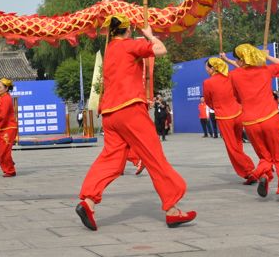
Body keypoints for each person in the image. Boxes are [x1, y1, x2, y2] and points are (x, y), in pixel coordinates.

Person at [75, 14, 195, 231]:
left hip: (110, 114)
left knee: (111, 159)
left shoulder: (109, 50)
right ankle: (172, 209)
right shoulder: (130, 46)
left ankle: (88, 202)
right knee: (154, 156)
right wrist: (149, 36)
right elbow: (160, 50)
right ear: (127, 30)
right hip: (130, 110)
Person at [227, 44, 279, 203]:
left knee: (265, 156)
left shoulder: (234, 75)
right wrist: (267, 57)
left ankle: (262, 173)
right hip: (270, 118)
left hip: (250, 122)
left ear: (242, 60)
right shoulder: (265, 70)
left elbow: (236, 97)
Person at [202, 57, 256, 183]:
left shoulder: (208, 83)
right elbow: (242, 70)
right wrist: (226, 59)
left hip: (224, 117)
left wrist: (216, 107)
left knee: (232, 148)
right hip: (237, 113)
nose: (206, 69)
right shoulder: (230, 76)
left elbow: (209, 101)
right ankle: (248, 173)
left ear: (213, 68)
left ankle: (251, 170)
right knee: (238, 144)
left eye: (207, 67)